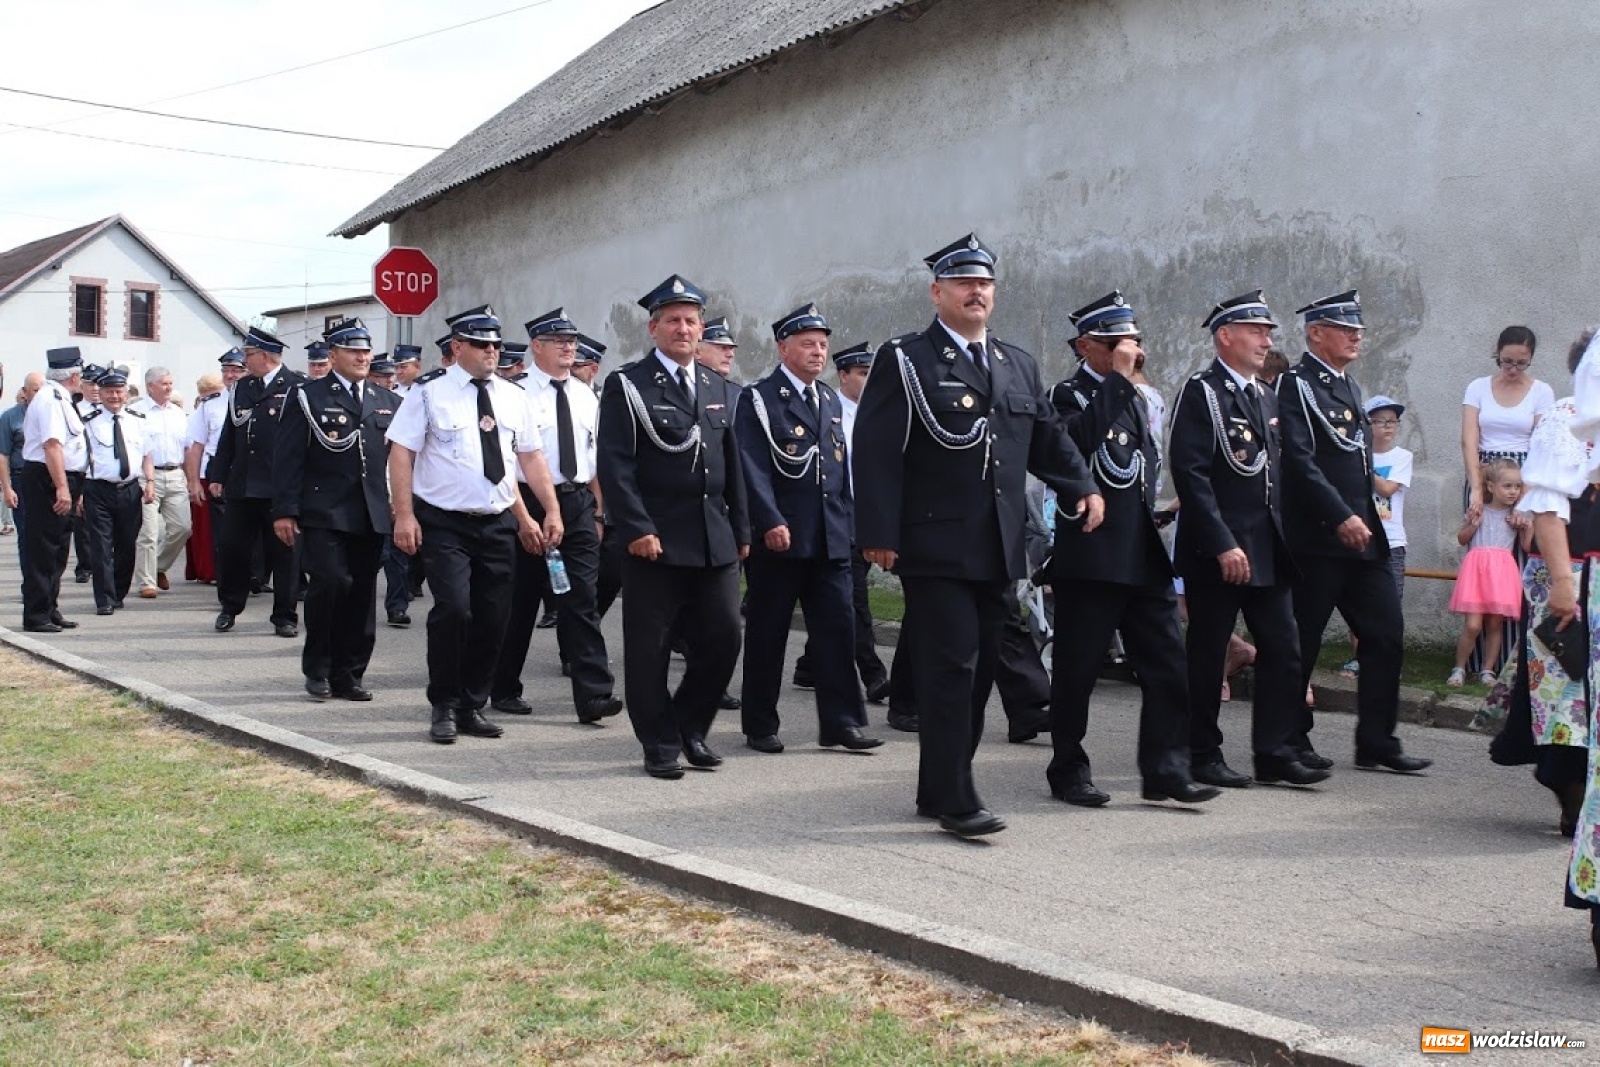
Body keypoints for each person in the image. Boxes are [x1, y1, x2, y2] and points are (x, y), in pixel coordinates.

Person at [853, 234, 1101, 837]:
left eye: (985, 283)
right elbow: (876, 450)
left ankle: (936, 785)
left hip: (999, 544)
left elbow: (1046, 436)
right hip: (933, 543)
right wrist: (878, 531)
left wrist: (1082, 484)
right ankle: (957, 799)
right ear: (937, 292)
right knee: (952, 668)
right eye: (964, 282)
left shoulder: (1016, 363)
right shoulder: (907, 360)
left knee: (982, 668)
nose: (976, 292)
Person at [1044, 291, 1218, 806]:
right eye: (1118, 344)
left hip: (1141, 553)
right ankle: (1068, 769)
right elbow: (1074, 446)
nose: (1132, 351)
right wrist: (1118, 382)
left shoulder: (1139, 400)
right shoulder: (1066, 395)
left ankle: (1165, 768)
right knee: (1077, 671)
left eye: (1135, 342)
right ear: (1085, 346)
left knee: (1168, 665)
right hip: (1091, 555)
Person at [387, 304, 563, 745]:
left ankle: (472, 704)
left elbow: (530, 458)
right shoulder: (429, 392)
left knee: (493, 616)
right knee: (453, 609)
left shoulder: (513, 395)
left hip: (497, 521)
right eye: (481, 344)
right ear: (458, 346)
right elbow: (402, 452)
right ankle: (444, 705)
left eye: (496, 344)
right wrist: (404, 514)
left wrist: (549, 510)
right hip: (444, 521)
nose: (491, 352)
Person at [596, 275, 750, 780]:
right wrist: (636, 526)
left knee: (724, 637)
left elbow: (732, 464)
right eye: (673, 321)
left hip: (712, 536)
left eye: (691, 321)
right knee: (651, 649)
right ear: (653, 328)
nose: (683, 329)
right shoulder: (629, 385)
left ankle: (689, 726)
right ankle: (659, 741)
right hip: (655, 540)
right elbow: (616, 465)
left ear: (702, 329)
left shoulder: (717, 385)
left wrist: (742, 529)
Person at [1170, 291, 1325, 789]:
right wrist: (1221, 543)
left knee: (1284, 647)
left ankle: (1274, 752)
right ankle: (1201, 752)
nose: (1266, 341)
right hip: (1218, 550)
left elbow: (1276, 475)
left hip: (1266, 547)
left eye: (1268, 332)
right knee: (1209, 650)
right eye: (1257, 331)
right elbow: (1191, 473)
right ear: (1226, 336)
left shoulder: (1265, 394)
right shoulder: (1202, 392)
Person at [1277, 290, 1430, 774]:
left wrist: (1360, 518)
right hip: (1319, 539)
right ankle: (1290, 740)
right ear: (1316, 333)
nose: (1357, 337)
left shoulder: (1350, 387)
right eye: (1346, 329)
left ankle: (1377, 741)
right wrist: (1339, 515)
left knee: (1385, 634)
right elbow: (1299, 461)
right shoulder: (1296, 384)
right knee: (1302, 642)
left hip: (1364, 539)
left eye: (1358, 329)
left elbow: (1356, 463)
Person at [735, 304, 880, 754]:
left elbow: (838, 470)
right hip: (782, 537)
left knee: (838, 632)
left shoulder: (829, 400)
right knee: (768, 634)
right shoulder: (760, 399)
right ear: (783, 348)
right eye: (808, 344)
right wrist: (769, 520)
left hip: (831, 537)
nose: (818, 352)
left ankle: (842, 722)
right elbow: (751, 466)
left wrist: (855, 527)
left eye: (822, 345)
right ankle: (760, 723)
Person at [489, 308, 623, 725]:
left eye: (572, 341)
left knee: (581, 597)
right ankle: (503, 686)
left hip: (577, 503)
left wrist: (598, 511)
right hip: (525, 503)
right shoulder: (513, 392)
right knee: (520, 600)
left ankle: (594, 694)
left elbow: (593, 457)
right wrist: (523, 517)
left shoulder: (585, 395)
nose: (569, 347)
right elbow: (504, 461)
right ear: (537, 346)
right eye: (559, 340)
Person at [1514, 326, 1600, 967]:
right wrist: (1564, 586)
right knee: (1565, 703)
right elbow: (1547, 506)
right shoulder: (1565, 419)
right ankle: (1568, 791)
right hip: (1576, 577)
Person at [273, 318, 398, 701]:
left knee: (361, 594)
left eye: (366, 351)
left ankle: (350, 673)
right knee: (329, 584)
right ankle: (319, 669)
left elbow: (401, 461)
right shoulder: (307, 396)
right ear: (333, 355)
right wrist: (284, 510)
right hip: (324, 510)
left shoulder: (387, 401)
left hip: (371, 512)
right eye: (353, 351)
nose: (362, 357)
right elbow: (288, 456)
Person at [790, 341, 892, 704]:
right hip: (838, 517)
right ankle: (873, 673)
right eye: (863, 374)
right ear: (843, 375)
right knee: (854, 600)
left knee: (840, 600)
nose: (870, 381)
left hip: (871, 517)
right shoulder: (829, 410)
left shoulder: (881, 414)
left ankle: (808, 666)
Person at [206, 327, 307, 636]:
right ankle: (229, 607)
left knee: (285, 553)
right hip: (243, 483)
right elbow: (230, 433)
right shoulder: (242, 387)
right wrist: (218, 474)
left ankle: (285, 616)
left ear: (265, 356)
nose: (244, 361)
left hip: (279, 486)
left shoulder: (297, 386)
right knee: (231, 547)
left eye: (248, 355)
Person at [18, 347, 89, 633]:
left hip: (63, 478)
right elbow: (52, 446)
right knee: (44, 548)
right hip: (48, 479)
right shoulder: (50, 399)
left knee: (58, 549)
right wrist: (61, 487)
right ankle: (37, 615)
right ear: (74, 375)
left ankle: (49, 607)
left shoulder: (60, 397)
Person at [79, 366, 155, 615]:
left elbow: (146, 454)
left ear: (126, 393)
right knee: (101, 545)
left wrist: (150, 482)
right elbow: (82, 459)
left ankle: (118, 591)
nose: (114, 396)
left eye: (118, 391)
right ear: (100, 393)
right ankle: (104, 599)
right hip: (98, 489)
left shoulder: (138, 420)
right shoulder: (88, 422)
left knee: (127, 545)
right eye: (109, 391)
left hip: (130, 489)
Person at [1449, 459, 1528, 685]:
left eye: (1517, 486)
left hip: (1502, 574)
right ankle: (1459, 668)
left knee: (1495, 625)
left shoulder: (1515, 515)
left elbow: (1525, 546)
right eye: (1508, 486)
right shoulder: (1479, 509)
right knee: (1473, 625)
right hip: (1476, 572)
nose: (1513, 491)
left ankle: (1488, 670)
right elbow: (1461, 538)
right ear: (1491, 487)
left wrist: (1525, 527)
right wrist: (1474, 524)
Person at [1462, 326, 1553, 519]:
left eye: (1521, 363)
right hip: (1486, 471)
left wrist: (1526, 491)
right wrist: (1476, 487)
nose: (1513, 369)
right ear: (1498, 353)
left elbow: (1542, 444)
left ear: (1531, 358)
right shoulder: (1477, 388)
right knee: (1479, 529)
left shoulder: (1541, 392)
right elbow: (1468, 441)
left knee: (1520, 531)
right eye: (1507, 361)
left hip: (1522, 475)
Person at [129, 366, 192, 598]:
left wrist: (191, 479)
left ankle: (158, 566)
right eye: (164, 384)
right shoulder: (136, 412)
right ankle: (146, 582)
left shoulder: (178, 414)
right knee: (149, 531)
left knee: (182, 528)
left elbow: (187, 448)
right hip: (147, 476)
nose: (169, 388)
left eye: (170, 383)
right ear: (150, 387)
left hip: (175, 474)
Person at [184, 353, 245, 584]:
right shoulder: (210, 404)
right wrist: (193, 482)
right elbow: (196, 446)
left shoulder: (256, 399)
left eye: (236, 370)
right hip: (217, 471)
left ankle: (250, 574)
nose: (230, 375)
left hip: (247, 471)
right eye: (226, 370)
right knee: (221, 529)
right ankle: (223, 575)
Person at [0, 373, 44, 581]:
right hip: (22, 480)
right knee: (26, 535)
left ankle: (47, 582)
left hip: (49, 480)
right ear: (25, 392)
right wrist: (7, 488)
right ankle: (31, 583)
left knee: (49, 536)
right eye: (35, 390)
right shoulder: (10, 417)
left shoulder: (55, 414)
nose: (40, 394)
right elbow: (3, 455)